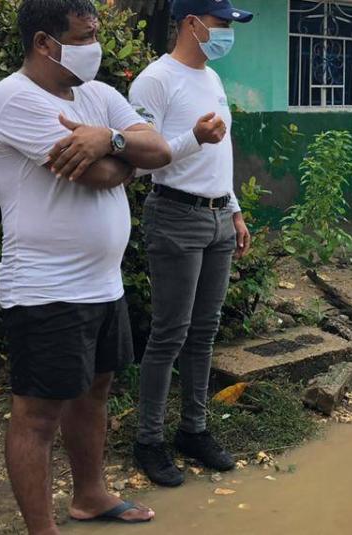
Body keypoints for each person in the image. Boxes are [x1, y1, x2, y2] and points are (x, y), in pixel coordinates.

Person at [0, 0, 172, 530]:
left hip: (103, 284)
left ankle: (90, 497)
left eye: (95, 35)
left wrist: (111, 140)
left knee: (94, 392)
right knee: (38, 414)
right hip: (45, 287)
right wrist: (126, 160)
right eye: (84, 37)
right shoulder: (13, 98)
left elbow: (158, 150)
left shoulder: (98, 95)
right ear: (44, 43)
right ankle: (41, 529)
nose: (95, 47)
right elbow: (98, 176)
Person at [126, 0, 253, 487]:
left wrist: (234, 209)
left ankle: (193, 430)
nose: (227, 34)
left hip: (218, 217)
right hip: (176, 215)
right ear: (192, 23)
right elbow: (139, 160)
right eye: (221, 24)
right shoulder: (155, 81)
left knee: (204, 333)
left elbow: (221, 154)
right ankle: (148, 440)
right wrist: (193, 139)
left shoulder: (212, 79)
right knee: (169, 334)